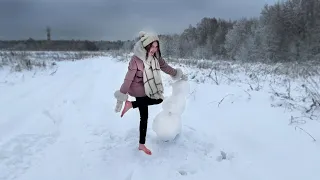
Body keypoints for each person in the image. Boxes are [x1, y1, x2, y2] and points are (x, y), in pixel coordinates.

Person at [113, 31, 187, 155]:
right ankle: (141, 144)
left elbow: (167, 68)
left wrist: (179, 74)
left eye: (156, 46)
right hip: (137, 87)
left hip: (149, 87)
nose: (154, 49)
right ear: (145, 46)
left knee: (158, 99)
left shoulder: (156, 58)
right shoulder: (136, 60)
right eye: (151, 46)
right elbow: (128, 79)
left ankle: (131, 105)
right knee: (145, 116)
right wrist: (121, 97)